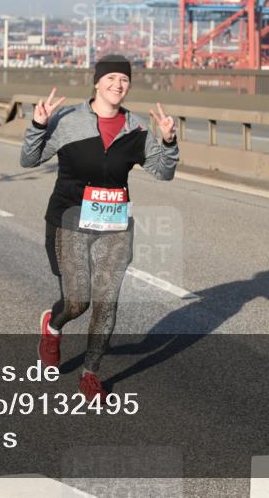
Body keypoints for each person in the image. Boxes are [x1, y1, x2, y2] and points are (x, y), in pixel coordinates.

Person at [20, 54, 179, 401]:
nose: (118, 85)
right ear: (97, 81)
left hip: (115, 225)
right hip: (69, 220)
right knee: (78, 303)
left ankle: (90, 374)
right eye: (111, 78)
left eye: (124, 80)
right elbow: (29, 160)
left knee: (107, 304)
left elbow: (163, 172)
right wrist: (37, 125)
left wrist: (168, 141)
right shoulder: (68, 119)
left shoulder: (135, 128)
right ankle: (53, 325)